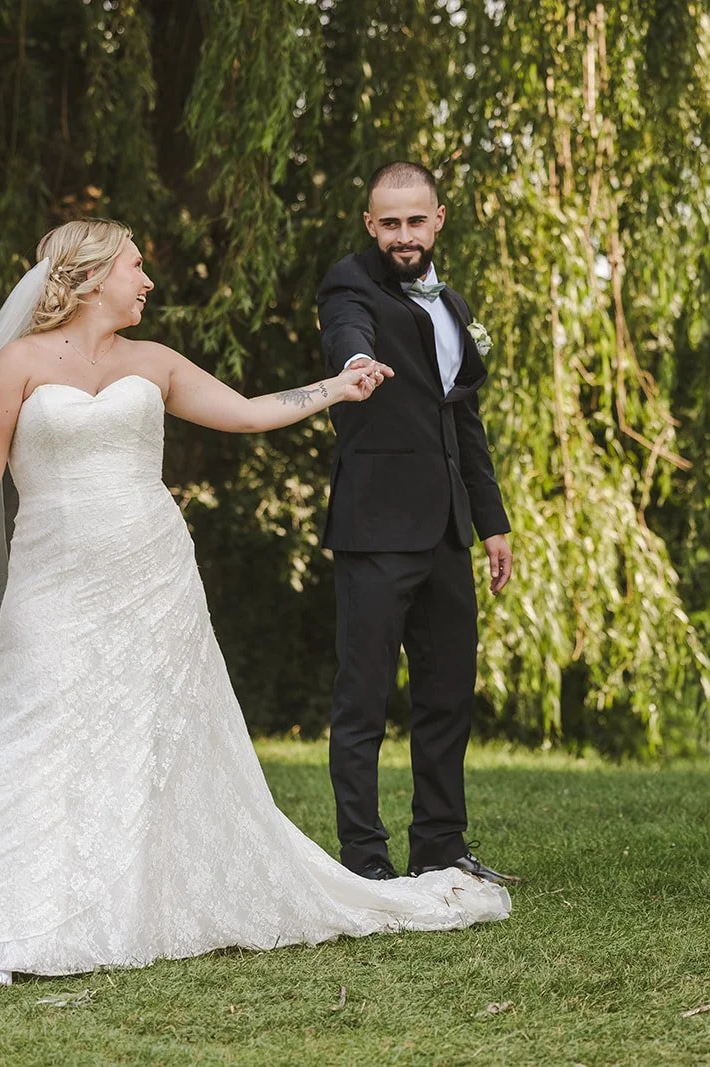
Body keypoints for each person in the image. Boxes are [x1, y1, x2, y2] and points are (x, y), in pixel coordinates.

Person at [0, 218, 511, 985]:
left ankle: (128, 907)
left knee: (152, 739)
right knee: (39, 729)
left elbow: (246, 411)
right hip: (53, 575)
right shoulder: (18, 364)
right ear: (96, 274)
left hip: (152, 574)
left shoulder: (155, 361)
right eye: (136, 267)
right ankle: (13, 922)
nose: (146, 281)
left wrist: (336, 387)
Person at [315, 163, 518, 885]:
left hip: (446, 534)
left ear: (438, 219)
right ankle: (365, 861)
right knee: (364, 700)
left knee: (446, 695)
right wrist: (356, 361)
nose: (404, 235)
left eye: (416, 220)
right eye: (389, 222)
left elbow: (464, 421)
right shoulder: (350, 283)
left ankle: (440, 846)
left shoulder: (451, 304)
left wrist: (491, 524)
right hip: (375, 527)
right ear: (371, 225)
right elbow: (348, 330)